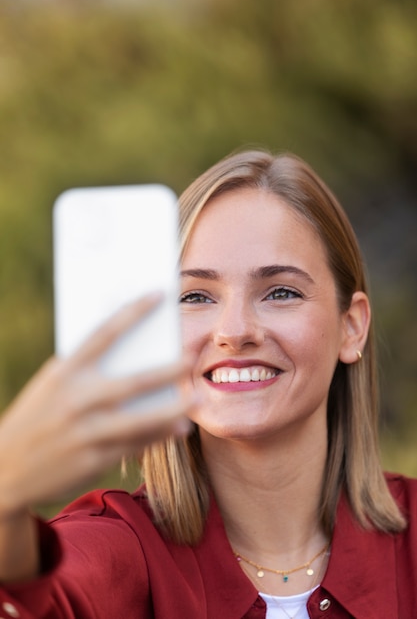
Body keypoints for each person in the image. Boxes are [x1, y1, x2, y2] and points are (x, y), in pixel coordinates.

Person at [0, 149, 415, 619]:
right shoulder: (114, 551)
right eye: (195, 296)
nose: (234, 331)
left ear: (352, 326)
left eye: (281, 292)